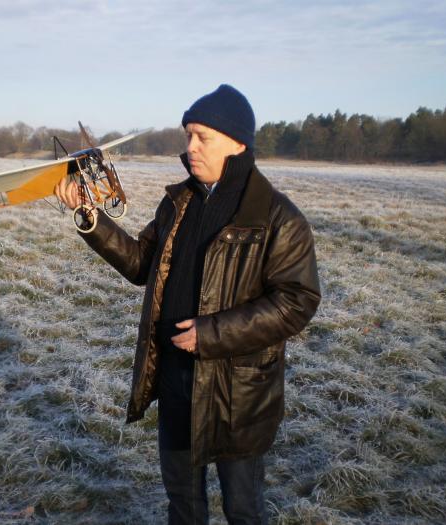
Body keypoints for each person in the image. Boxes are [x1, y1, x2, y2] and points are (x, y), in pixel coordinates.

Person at [54, 84, 321, 524]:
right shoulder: (177, 202)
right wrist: (90, 217)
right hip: (175, 382)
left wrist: (212, 334)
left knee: (244, 509)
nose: (190, 148)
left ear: (238, 143)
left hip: (236, 395)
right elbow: (142, 264)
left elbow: (298, 301)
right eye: (188, 136)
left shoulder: (277, 217)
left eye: (203, 137)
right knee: (183, 506)